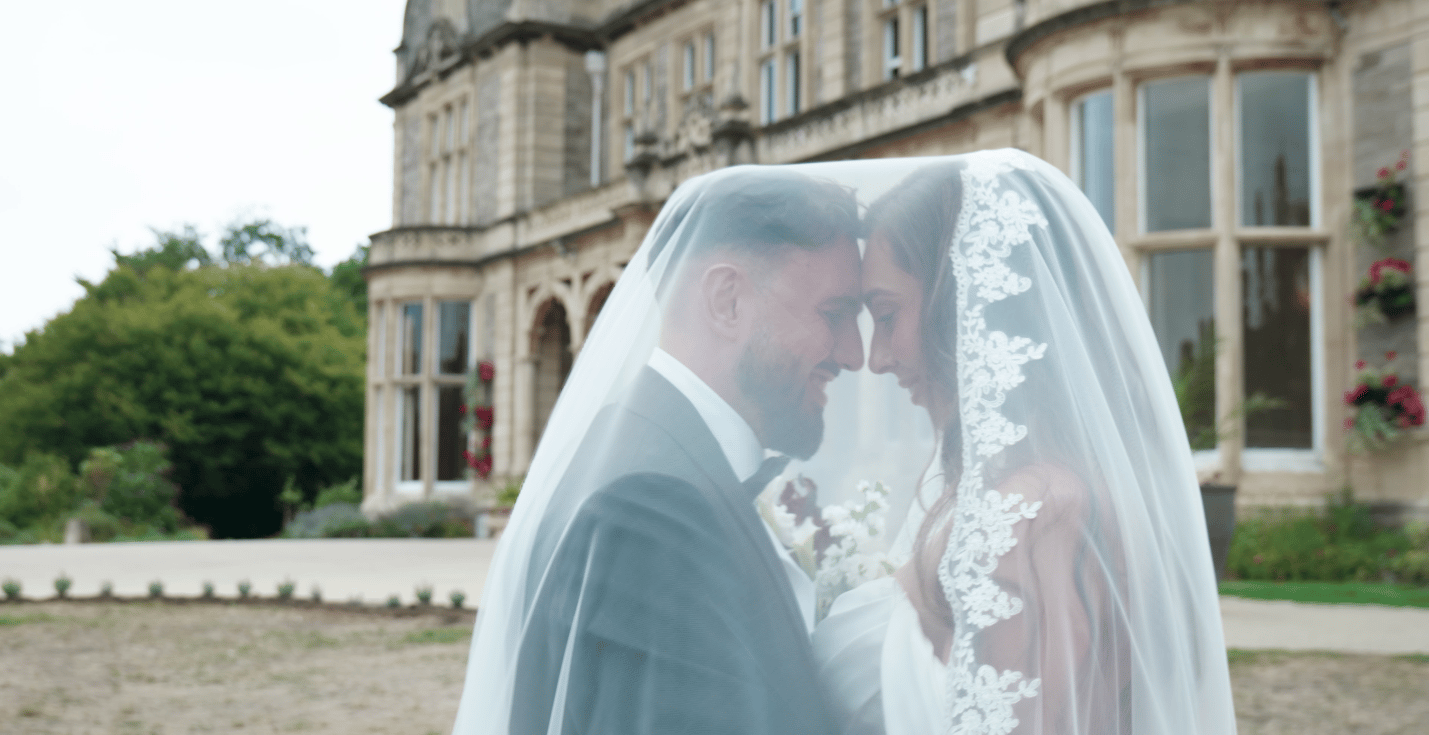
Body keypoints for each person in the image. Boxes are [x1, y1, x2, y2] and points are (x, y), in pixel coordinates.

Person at [809, 151, 1238, 734]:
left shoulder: (1034, 512)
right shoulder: (1037, 492)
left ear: (960, 307)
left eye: (886, 315)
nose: (877, 358)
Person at [451, 166, 863, 735]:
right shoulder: (650, 509)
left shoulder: (656, 456)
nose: (854, 353)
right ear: (727, 301)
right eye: (834, 314)